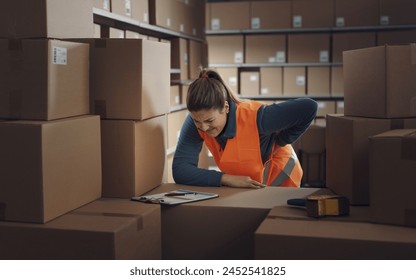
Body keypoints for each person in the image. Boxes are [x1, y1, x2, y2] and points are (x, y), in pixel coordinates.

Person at [172, 68, 317, 189]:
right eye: (198, 121)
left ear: (226, 107)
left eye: (210, 120)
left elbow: (309, 108)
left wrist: (281, 141)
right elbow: (180, 170)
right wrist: (224, 178)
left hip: (280, 181)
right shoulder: (195, 122)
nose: (203, 128)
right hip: (247, 186)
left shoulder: (258, 118)